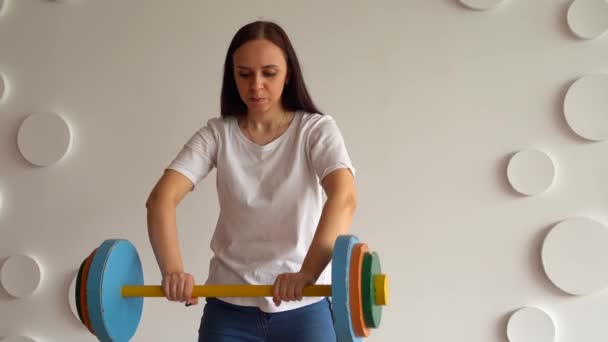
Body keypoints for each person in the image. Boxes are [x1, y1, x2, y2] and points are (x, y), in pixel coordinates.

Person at [145, 20, 357, 342]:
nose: (256, 85)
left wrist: (306, 274)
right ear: (233, 77)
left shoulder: (315, 131)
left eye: (269, 73)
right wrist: (173, 271)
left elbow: (344, 197)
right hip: (228, 309)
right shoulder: (217, 134)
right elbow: (161, 199)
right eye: (244, 74)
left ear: (288, 75)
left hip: (304, 307)